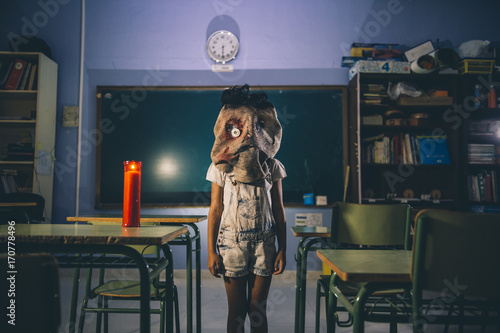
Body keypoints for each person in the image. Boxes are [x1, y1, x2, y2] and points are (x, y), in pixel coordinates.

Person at [207, 85, 287, 333]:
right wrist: (211, 251)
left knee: (258, 310)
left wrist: (283, 248)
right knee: (237, 312)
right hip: (231, 245)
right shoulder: (221, 166)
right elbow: (215, 210)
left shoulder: (272, 166)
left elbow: (279, 210)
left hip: (265, 244)